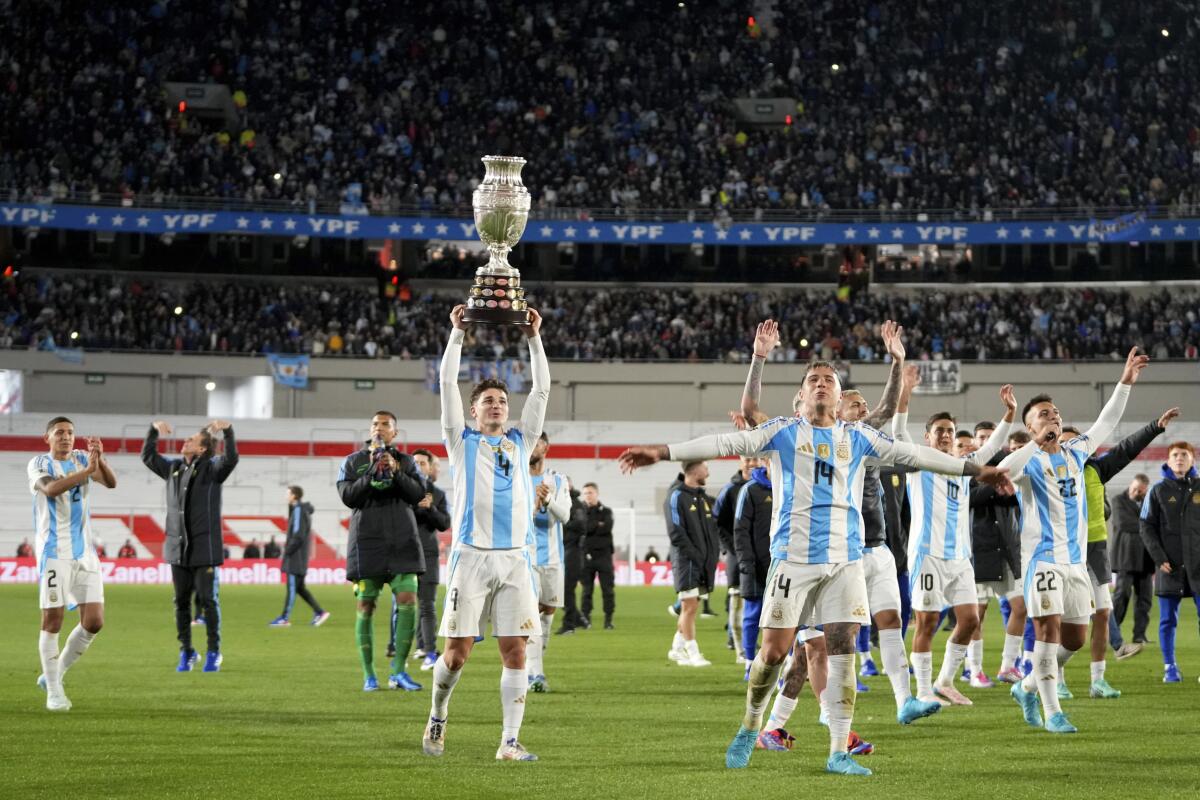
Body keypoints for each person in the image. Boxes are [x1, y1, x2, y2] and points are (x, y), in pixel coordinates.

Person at [618, 331, 1012, 776]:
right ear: (800, 398)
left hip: (845, 561)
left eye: (830, 379)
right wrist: (662, 453)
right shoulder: (782, 433)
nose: (822, 383)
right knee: (772, 653)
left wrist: (981, 470)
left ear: (840, 394)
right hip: (793, 560)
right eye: (814, 380)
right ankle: (751, 725)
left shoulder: (858, 438)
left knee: (843, 648)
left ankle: (838, 749)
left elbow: (915, 455)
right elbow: (724, 442)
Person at [424, 305, 549, 762]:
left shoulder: (521, 441)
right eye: (488, 401)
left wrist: (534, 338)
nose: (496, 405)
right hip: (472, 557)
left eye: (501, 401)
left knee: (515, 652)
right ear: (474, 411)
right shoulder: (461, 443)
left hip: (516, 560)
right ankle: (438, 714)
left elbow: (543, 388)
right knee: (456, 655)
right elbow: (444, 386)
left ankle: (509, 742)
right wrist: (456, 335)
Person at [1001, 347, 1147, 733]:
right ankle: (1053, 713)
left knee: (1076, 639)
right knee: (1047, 632)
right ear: (1030, 427)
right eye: (1043, 414)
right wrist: (1034, 442)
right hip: (1043, 561)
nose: (1053, 416)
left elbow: (1106, 422)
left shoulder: (1076, 452)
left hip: (1075, 562)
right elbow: (1001, 471)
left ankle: (1027, 687)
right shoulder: (1027, 460)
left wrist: (1125, 383)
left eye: (1054, 412)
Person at [892, 374, 1016, 706]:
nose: (946, 435)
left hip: (960, 557)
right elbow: (898, 431)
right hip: (927, 554)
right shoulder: (919, 462)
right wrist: (905, 391)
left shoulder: (964, 466)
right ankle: (920, 692)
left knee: (970, 620)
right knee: (927, 623)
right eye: (940, 431)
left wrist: (1009, 414)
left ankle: (945, 680)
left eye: (950, 430)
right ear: (928, 437)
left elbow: (989, 449)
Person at [1055, 410, 1176, 699]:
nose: (1070, 449)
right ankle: (1053, 677)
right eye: (1065, 444)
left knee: (1103, 613)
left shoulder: (1097, 468)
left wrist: (1154, 427)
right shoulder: (1050, 472)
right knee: (1065, 621)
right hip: (1063, 550)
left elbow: (1126, 449)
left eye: (1075, 444)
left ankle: (1098, 680)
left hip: (1096, 549)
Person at [30, 417, 117, 711]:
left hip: (85, 554)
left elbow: (111, 483)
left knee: (94, 622)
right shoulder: (38, 463)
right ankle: (54, 692)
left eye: (70, 433)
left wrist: (98, 460)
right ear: (48, 438)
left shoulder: (82, 458)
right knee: (52, 621)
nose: (66, 437)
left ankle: (54, 675)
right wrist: (87, 472)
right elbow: (52, 489)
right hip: (55, 553)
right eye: (59, 433)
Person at [338, 411, 427, 692]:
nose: (379, 427)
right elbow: (348, 497)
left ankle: (398, 671)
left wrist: (395, 470)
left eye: (385, 424)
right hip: (367, 542)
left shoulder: (407, 462)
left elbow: (417, 494)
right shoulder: (353, 461)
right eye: (375, 423)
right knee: (366, 605)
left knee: (408, 599)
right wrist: (371, 471)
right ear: (370, 429)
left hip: (402, 541)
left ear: (394, 433)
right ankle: (369, 674)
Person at [142, 419, 238, 674]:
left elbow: (230, 460)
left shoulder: (212, 469)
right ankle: (186, 651)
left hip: (204, 548)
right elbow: (148, 456)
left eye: (192, 440)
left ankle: (214, 651)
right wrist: (153, 431)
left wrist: (228, 432)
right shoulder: (173, 468)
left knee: (208, 600)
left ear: (202, 450)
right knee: (181, 602)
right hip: (177, 549)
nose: (186, 441)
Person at [1139, 441, 1200, 682]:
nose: (1179, 459)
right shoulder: (1157, 491)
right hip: (1169, 566)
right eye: (1175, 455)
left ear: (1192, 460)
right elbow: (1145, 526)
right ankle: (1169, 667)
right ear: (1168, 460)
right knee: (1167, 619)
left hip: (1198, 566)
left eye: (1184, 455)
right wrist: (1159, 557)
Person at [971, 424, 1025, 685]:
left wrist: (1003, 481)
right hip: (979, 549)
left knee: (1021, 606)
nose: (986, 441)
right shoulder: (967, 468)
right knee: (975, 616)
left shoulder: (1007, 468)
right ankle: (975, 670)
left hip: (1006, 548)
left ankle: (1007, 666)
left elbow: (1015, 500)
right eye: (982, 437)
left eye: (990, 437)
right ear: (974, 439)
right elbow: (971, 500)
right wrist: (995, 482)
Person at [528, 433, 572, 690]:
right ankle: (536, 674)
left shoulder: (557, 479)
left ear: (546, 447)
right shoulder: (517, 478)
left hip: (554, 559)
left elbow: (565, 516)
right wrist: (534, 505)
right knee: (532, 614)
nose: (531, 447)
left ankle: (532, 666)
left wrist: (547, 500)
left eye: (536, 442)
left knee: (547, 615)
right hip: (526, 558)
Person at [665, 461, 719, 667]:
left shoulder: (703, 498)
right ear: (694, 470)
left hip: (702, 561)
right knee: (689, 607)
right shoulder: (677, 496)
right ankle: (693, 652)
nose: (708, 472)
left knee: (692, 606)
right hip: (686, 561)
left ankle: (676, 649)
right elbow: (675, 532)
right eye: (705, 468)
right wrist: (695, 555)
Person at [408, 448, 451, 671]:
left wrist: (430, 507)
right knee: (405, 604)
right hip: (404, 554)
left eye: (423, 463)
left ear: (430, 467)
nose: (418, 466)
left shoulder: (438, 494)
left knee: (426, 604)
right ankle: (416, 646)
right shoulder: (403, 491)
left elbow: (444, 523)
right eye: (414, 462)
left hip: (428, 554)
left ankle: (431, 652)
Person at [714, 457, 759, 662]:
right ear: (741, 461)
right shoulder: (730, 489)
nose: (751, 463)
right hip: (738, 554)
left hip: (762, 555)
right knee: (737, 599)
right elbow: (717, 521)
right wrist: (729, 548)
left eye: (755, 459)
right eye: (748, 459)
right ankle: (739, 648)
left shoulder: (766, 485)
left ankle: (756, 643)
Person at [270, 486, 330, 628]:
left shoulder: (298, 510)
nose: (286, 496)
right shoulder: (301, 510)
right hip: (300, 557)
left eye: (288, 493)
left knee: (292, 588)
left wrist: (288, 550)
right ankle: (320, 612)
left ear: (294, 496)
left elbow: (297, 535)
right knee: (300, 588)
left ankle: (284, 618)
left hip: (295, 557)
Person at [1109, 475, 1153, 658]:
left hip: (1145, 559)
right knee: (1121, 595)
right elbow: (1124, 523)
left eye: (1140, 490)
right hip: (1125, 558)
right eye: (1135, 489)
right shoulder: (1118, 500)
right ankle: (1113, 632)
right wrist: (1148, 526)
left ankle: (1139, 635)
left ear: (1145, 490)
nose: (1136, 492)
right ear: (1130, 485)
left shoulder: (1148, 502)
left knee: (1144, 600)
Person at [733, 461, 772, 664]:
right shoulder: (750, 490)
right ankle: (749, 662)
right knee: (753, 615)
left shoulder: (792, 485)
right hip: (755, 565)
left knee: (789, 617)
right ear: (767, 462)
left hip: (784, 565)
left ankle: (790, 664)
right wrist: (745, 561)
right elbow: (740, 530)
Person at [580, 482, 616, 630]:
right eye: (585, 493)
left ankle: (608, 620)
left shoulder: (606, 511)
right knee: (586, 591)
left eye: (590, 493)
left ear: (597, 494)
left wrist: (589, 526)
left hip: (604, 556)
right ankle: (586, 619)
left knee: (607, 590)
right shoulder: (578, 511)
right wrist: (596, 525)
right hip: (585, 556)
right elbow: (581, 528)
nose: (588, 496)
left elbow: (607, 527)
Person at [556, 484, 586, 635]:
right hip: (564, 551)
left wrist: (563, 523)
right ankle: (580, 619)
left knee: (567, 590)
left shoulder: (576, 504)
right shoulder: (563, 502)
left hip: (573, 552)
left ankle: (569, 625)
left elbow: (581, 524)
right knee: (563, 590)